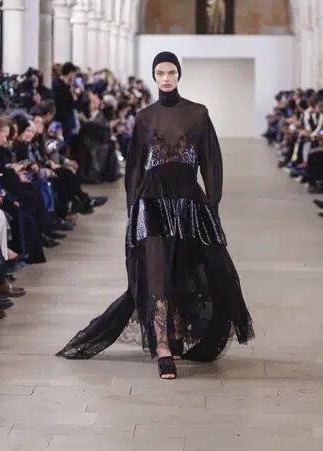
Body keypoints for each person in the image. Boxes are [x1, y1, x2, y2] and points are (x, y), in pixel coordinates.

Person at [56, 51, 254, 380]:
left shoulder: (198, 113)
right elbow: (134, 166)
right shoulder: (144, 117)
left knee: (187, 269)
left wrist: (212, 205)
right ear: (153, 76)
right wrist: (134, 209)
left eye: (171, 72)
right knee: (158, 272)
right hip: (152, 202)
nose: (166, 78)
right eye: (160, 72)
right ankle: (163, 346)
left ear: (179, 75)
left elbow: (210, 161)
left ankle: (176, 334)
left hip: (189, 202)